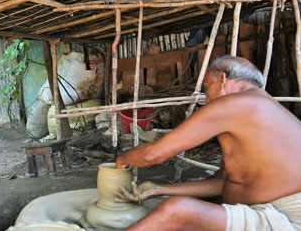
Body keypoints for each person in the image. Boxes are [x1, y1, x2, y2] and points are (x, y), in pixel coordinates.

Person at [116, 55, 301, 231]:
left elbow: (152, 155)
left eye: (206, 88)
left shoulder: (236, 104)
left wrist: (122, 159)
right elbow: (225, 182)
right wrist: (158, 189)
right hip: (273, 213)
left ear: (222, 79)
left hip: (289, 221)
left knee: (178, 210)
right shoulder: (261, 106)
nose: (206, 98)